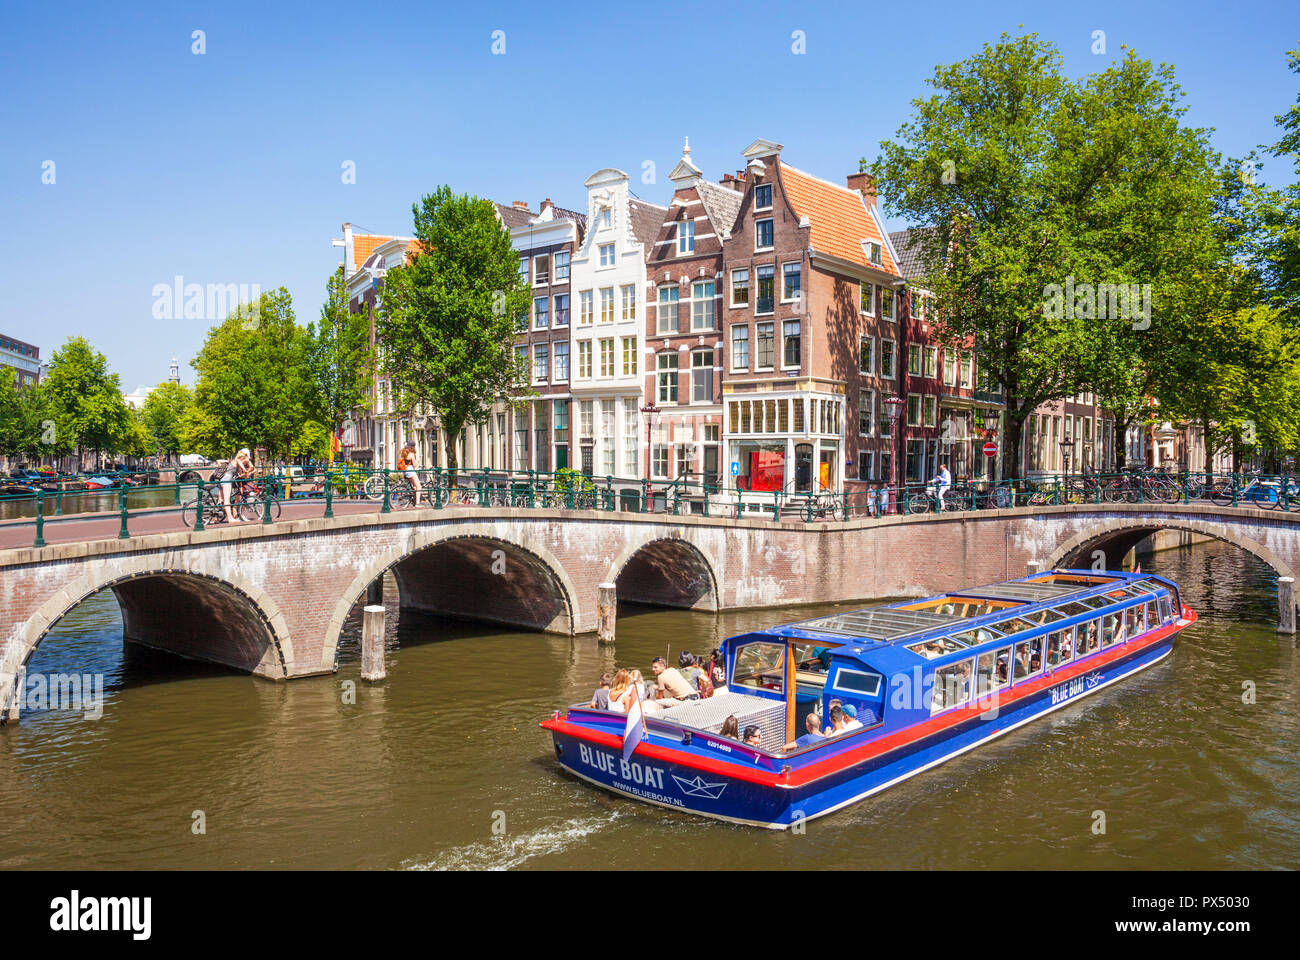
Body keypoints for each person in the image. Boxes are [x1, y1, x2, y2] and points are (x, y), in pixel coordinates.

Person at [217, 447, 254, 524]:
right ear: (244, 457)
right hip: (227, 480)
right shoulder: (237, 460)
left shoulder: (233, 460)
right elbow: (240, 462)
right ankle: (230, 518)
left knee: (220, 500)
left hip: (221, 479)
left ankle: (215, 518)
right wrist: (245, 470)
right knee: (227, 500)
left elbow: (219, 462)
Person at [396, 441, 421, 506]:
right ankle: (417, 503)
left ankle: (414, 500)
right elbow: (415, 465)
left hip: (405, 471)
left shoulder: (405, 453)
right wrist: (418, 461)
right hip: (410, 471)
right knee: (419, 486)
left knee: (415, 487)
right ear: (413, 447)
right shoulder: (411, 454)